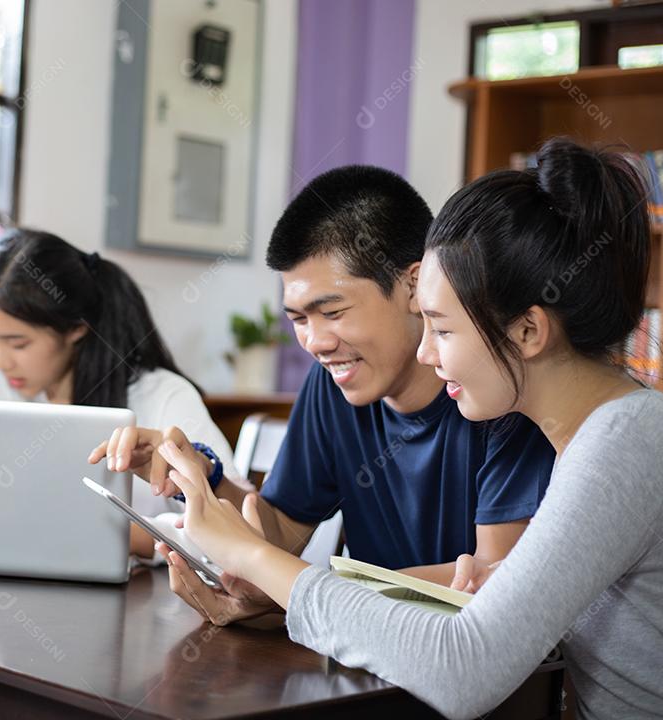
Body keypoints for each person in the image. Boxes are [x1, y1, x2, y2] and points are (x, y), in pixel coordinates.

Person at [160, 138, 663, 718]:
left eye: (443, 330)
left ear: (527, 332)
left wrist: (252, 559)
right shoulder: (596, 439)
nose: (425, 353)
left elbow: (465, 673)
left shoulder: (623, 445)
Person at [90, 164, 555, 623]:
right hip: (364, 663)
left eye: (331, 312)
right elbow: (280, 532)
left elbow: (489, 589)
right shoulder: (334, 384)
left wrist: (298, 590)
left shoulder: (498, 392)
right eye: (297, 319)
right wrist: (200, 475)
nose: (314, 342)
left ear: (415, 285)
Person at [0, 229, 249, 555]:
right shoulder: (1, 381)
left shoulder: (164, 396)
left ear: (76, 327)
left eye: (18, 343)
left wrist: (120, 537)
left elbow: (238, 529)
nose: (1, 361)